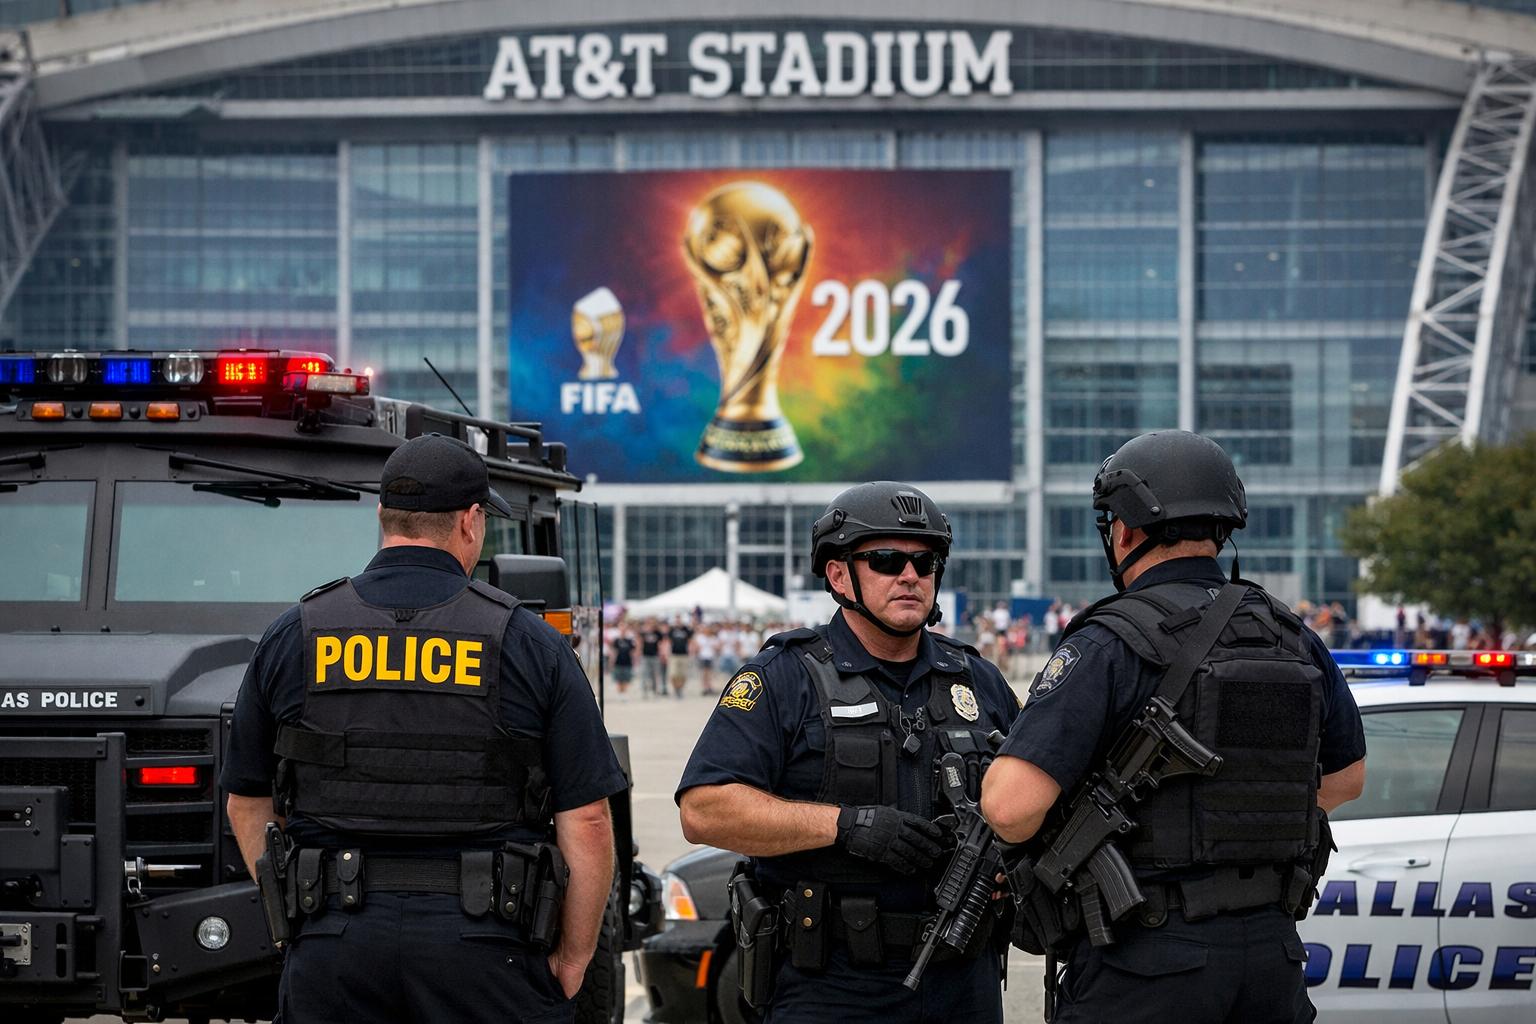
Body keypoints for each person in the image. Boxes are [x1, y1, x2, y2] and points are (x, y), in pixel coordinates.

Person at [221, 433, 629, 1024]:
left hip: (335, 941)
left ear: (382, 518)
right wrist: (574, 958)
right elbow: (588, 820)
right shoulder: (527, 642)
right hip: (486, 950)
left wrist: (295, 918)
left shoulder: (295, 633)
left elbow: (247, 800)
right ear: (469, 521)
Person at [981, 430, 1367, 1024]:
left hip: (1148, 956)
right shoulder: (1292, 635)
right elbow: (1346, 779)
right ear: (1220, 530)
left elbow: (1010, 807)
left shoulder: (1110, 641)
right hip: (1272, 954)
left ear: (1126, 531)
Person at [677, 482, 1021, 1023]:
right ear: (840, 576)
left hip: (962, 982)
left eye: (925, 562)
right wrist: (846, 826)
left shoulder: (978, 682)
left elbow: (1039, 801)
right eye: (886, 560)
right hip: (829, 987)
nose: (910, 576)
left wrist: (1011, 864)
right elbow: (704, 809)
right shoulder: (784, 677)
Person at [666, 617, 695, 698]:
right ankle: (676, 689)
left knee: (683, 674)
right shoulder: (672, 630)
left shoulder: (686, 630)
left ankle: (680, 689)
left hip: (684, 654)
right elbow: (668, 641)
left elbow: (691, 638)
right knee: (673, 674)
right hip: (674, 654)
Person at [639, 619, 665, 697]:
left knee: (654, 674)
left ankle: (654, 690)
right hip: (645, 656)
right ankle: (644, 691)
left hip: (655, 656)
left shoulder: (658, 633)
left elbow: (661, 644)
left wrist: (662, 654)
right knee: (645, 674)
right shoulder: (643, 633)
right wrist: (639, 653)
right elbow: (640, 643)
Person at [610, 626, 636, 700]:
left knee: (626, 679)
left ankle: (624, 693)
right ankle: (620, 693)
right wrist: (612, 661)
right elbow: (614, 651)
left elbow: (632, 652)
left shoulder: (629, 641)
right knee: (619, 679)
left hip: (627, 662)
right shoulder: (616, 640)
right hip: (618, 662)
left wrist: (634, 660)